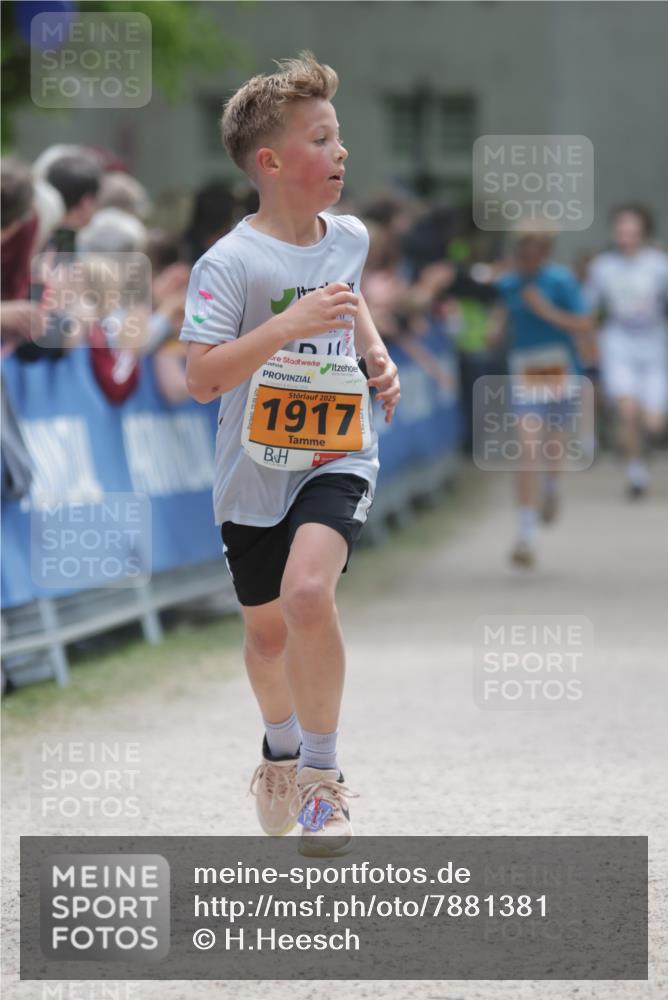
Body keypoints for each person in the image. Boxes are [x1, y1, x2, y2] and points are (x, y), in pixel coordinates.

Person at [180, 52, 400, 855]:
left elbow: (347, 298)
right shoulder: (228, 265)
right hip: (251, 472)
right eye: (323, 138)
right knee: (267, 636)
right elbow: (201, 378)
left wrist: (374, 351)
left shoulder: (351, 236)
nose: (342, 153)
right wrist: (282, 329)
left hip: (335, 453)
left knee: (310, 595)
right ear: (271, 162)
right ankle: (278, 745)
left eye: (340, 138)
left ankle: (322, 780)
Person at [495, 229, 592, 568]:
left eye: (537, 250)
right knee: (527, 447)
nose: (530, 257)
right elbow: (502, 319)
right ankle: (525, 534)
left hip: (561, 368)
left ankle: (551, 486)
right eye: (524, 250)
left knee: (553, 447)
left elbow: (584, 323)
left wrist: (545, 310)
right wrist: (496, 330)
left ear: (547, 251)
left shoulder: (561, 280)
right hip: (525, 369)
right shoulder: (509, 283)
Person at [584, 205, 668, 498]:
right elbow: (589, 309)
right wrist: (589, 341)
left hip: (655, 347)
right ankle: (636, 471)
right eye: (621, 232)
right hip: (618, 344)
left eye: (632, 232)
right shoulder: (603, 267)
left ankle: (640, 446)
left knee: (654, 422)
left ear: (643, 233)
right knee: (627, 410)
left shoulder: (659, 265)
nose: (626, 238)